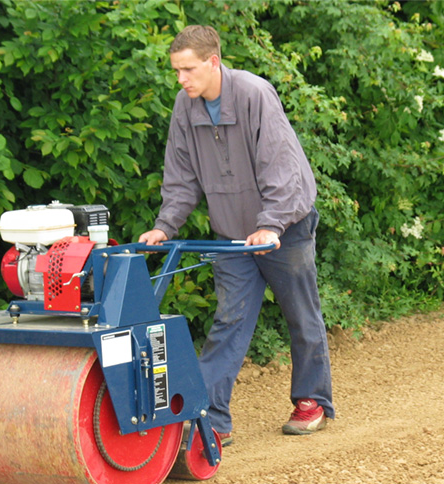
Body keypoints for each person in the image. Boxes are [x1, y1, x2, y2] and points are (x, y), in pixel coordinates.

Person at [138, 25, 334, 446]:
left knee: (301, 315)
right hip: (231, 235)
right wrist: (164, 225)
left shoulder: (253, 94)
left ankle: (311, 400)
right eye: (176, 71)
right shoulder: (185, 106)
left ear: (213, 62)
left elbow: (280, 164)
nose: (181, 79)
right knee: (229, 321)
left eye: (188, 70)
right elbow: (181, 175)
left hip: (285, 228)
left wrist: (272, 222)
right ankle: (211, 419)